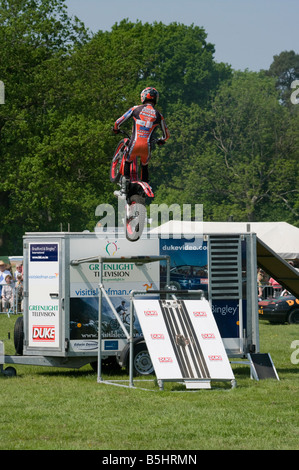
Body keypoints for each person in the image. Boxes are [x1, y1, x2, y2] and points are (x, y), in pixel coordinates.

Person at [113, 87, 170, 195]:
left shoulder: (136, 109)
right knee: (145, 165)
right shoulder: (159, 115)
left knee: (127, 160)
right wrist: (161, 140)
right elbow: (166, 135)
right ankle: (145, 187)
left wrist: (116, 128)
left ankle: (123, 189)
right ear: (155, 99)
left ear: (143, 97)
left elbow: (118, 121)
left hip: (134, 144)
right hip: (146, 148)